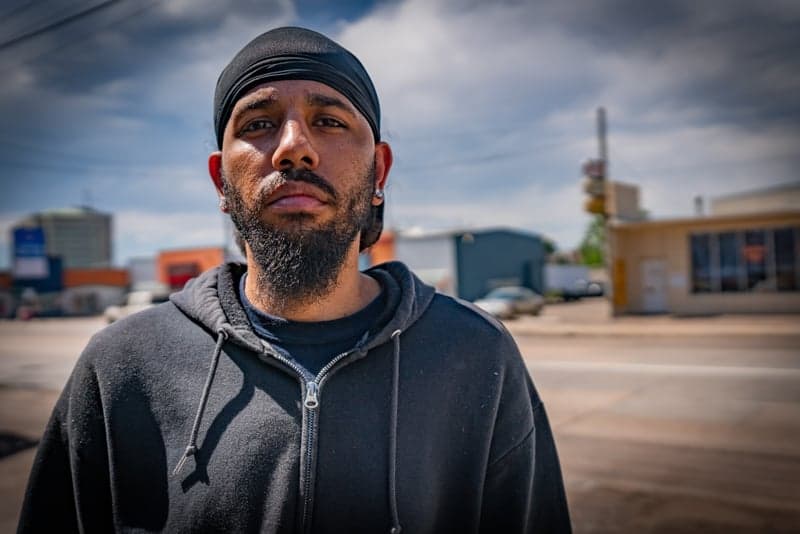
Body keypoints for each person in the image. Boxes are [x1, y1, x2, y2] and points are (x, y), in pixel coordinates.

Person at [18, 26, 571, 533]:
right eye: (258, 124)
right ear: (220, 180)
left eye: (328, 120)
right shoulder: (121, 367)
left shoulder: (477, 355)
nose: (293, 147)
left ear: (379, 171)